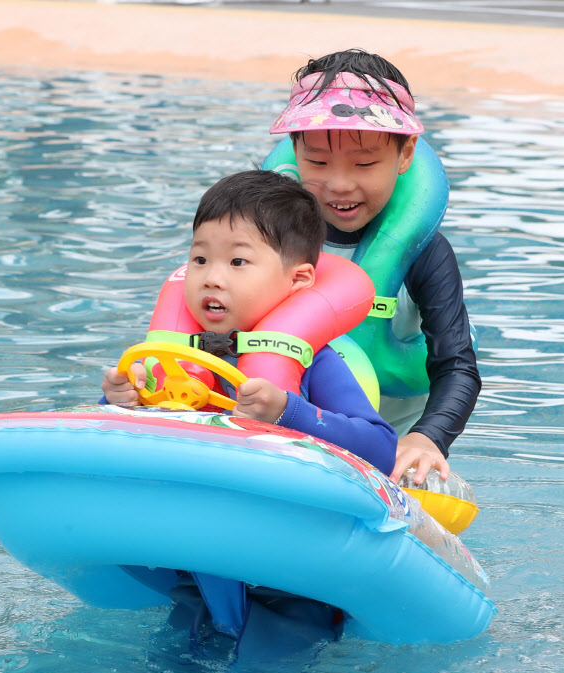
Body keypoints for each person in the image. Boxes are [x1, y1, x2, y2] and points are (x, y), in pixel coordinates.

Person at [269, 48, 481, 485]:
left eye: (365, 163)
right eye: (318, 162)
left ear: (405, 157)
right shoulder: (263, 237)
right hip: (283, 435)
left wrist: (428, 438)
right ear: (294, 151)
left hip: (390, 452)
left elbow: (457, 364)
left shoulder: (423, 253)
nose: (340, 184)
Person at [101, 169, 397, 476]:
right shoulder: (171, 358)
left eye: (237, 262)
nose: (212, 279)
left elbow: (382, 450)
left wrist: (287, 411)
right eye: (200, 260)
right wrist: (121, 399)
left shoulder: (316, 363)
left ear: (297, 278)